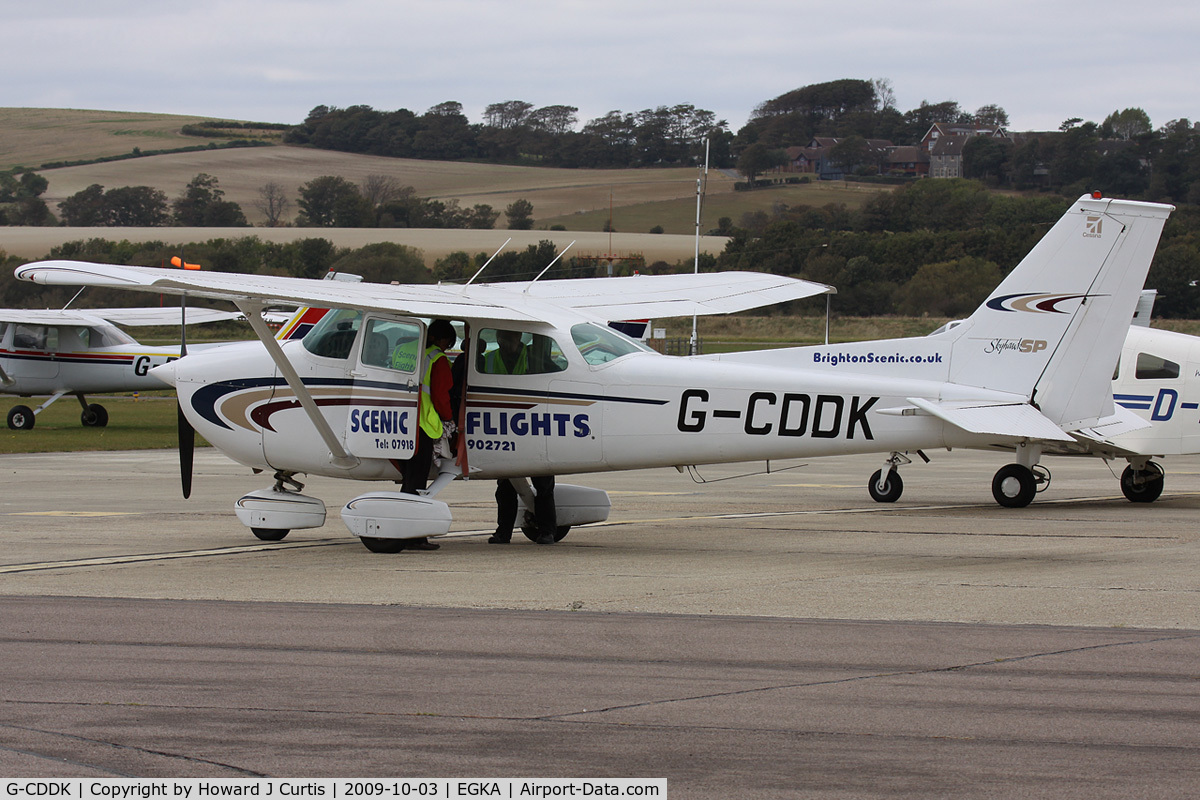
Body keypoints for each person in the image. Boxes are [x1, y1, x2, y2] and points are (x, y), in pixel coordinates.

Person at [481, 329, 557, 544]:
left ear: (520, 338)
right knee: (505, 486)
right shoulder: (489, 359)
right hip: (504, 429)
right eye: (504, 337)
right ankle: (503, 531)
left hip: (533, 428)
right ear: (498, 338)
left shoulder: (535, 359)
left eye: (513, 337)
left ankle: (547, 531)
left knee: (543, 484)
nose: (508, 341)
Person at [399, 318, 456, 551]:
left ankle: (403, 529)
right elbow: (441, 396)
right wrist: (449, 418)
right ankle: (413, 535)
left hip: (401, 420)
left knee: (408, 478)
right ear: (441, 339)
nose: (446, 348)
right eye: (447, 343)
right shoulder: (438, 359)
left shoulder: (404, 351)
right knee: (418, 480)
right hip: (423, 423)